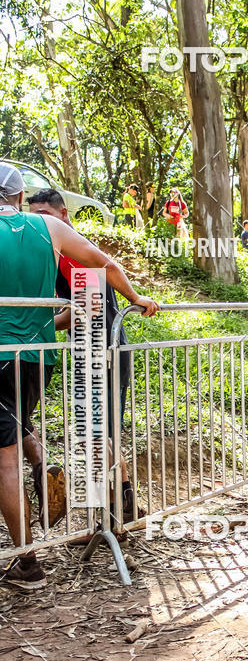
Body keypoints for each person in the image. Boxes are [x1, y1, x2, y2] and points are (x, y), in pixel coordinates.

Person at [0, 163, 158, 591]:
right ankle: (54, 473)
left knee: (72, 438)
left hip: (61, 351)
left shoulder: (56, 239)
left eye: (45, 212)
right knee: (43, 428)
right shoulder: (51, 236)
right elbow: (100, 269)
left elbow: (87, 299)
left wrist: (51, 320)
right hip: (53, 354)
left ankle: (52, 549)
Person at [28, 188, 144, 526]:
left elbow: (86, 309)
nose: (40, 223)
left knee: (95, 436)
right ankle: (122, 513)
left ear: (64, 214)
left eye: (45, 215)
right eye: (34, 217)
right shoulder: (65, 248)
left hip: (100, 349)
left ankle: (108, 521)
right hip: (100, 346)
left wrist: (44, 324)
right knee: (101, 434)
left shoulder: (67, 251)